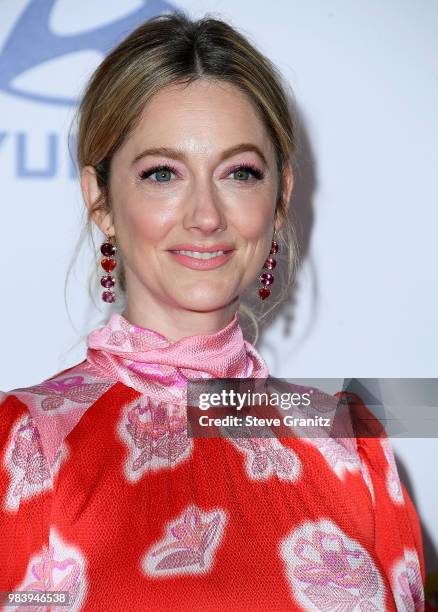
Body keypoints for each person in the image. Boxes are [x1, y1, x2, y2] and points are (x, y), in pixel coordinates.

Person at [0, 11, 428, 612]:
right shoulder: (25, 444)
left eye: (240, 172)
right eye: (162, 174)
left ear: (279, 199)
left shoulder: (350, 445)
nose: (206, 215)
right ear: (100, 199)